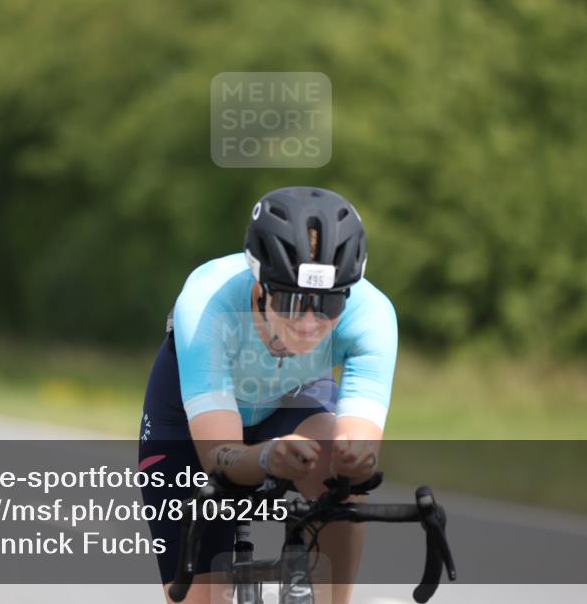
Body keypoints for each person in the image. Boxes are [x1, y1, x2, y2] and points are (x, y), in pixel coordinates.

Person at [138, 186, 398, 604]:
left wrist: (357, 458)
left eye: (329, 304)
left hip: (292, 397)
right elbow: (218, 456)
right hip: (188, 419)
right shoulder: (208, 303)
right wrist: (267, 456)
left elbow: (357, 440)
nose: (310, 323)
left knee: (339, 476)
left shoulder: (373, 315)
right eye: (294, 302)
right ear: (261, 288)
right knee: (199, 596)